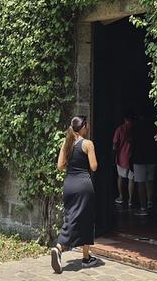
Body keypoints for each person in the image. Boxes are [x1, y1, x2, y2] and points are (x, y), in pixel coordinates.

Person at [51, 115, 99, 274]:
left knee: (78, 217)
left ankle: (86, 258)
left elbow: (59, 166)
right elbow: (93, 167)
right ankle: (58, 248)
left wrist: (72, 167)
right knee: (81, 218)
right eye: (87, 125)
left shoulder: (67, 143)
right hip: (83, 186)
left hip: (69, 184)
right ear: (84, 126)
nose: (89, 128)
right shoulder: (87, 144)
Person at [130, 115, 157, 217]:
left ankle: (143, 207)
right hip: (151, 158)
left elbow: (131, 143)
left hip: (139, 159)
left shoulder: (135, 128)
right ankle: (150, 202)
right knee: (150, 181)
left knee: (140, 183)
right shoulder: (153, 127)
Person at [112, 111, 135, 206]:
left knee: (121, 177)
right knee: (131, 178)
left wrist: (114, 155)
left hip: (122, 157)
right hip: (133, 157)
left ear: (124, 119)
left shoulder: (120, 129)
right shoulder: (134, 129)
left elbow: (114, 144)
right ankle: (130, 199)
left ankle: (121, 196)